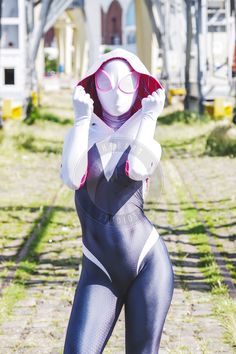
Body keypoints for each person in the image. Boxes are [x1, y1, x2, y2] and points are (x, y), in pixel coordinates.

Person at [60, 48, 174, 354]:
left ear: (140, 86)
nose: (116, 94)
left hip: (147, 262)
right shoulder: (80, 133)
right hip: (98, 267)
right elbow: (72, 177)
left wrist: (149, 116)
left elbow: (137, 168)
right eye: (105, 84)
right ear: (92, 85)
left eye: (126, 84)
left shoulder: (145, 135)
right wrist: (82, 121)